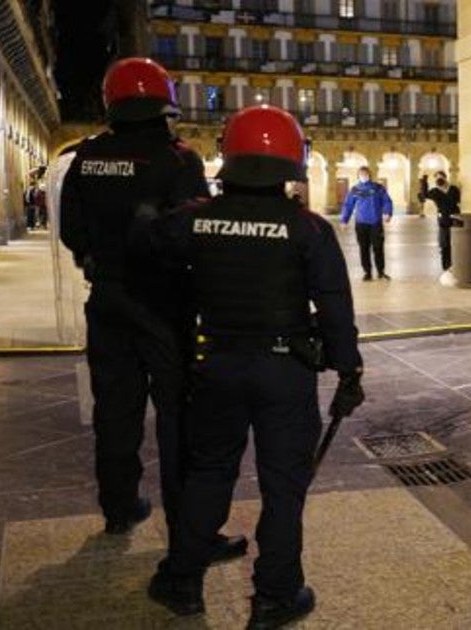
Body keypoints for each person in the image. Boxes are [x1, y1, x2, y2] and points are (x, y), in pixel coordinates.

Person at [147, 105, 365, 628]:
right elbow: (335, 308)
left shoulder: (193, 219)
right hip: (285, 370)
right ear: (294, 161)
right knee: (284, 485)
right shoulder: (308, 229)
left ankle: (182, 581)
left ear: (230, 156)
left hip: (216, 362)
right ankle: (276, 595)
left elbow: (145, 254)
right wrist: (349, 371)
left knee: (208, 473)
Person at [58, 57, 246, 563]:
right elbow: (196, 234)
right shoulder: (178, 160)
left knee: (114, 410)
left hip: (108, 301)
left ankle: (119, 507)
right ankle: (190, 526)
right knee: (178, 417)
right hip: (164, 305)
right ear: (163, 106)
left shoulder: (86, 157)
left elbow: (70, 232)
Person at [340, 166, 392, 281]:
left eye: (365, 173)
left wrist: (387, 212)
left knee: (378, 248)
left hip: (375, 223)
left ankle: (381, 272)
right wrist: (344, 220)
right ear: (358, 176)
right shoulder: (355, 189)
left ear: (369, 174)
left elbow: (386, 201)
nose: (363, 175)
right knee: (364, 248)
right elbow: (348, 205)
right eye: (361, 174)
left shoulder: (378, 188)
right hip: (361, 223)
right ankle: (367, 272)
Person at [418, 170, 461, 271]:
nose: (440, 179)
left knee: (456, 242)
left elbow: (457, 200)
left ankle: (456, 265)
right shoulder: (435, 191)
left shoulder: (453, 189)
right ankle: (446, 266)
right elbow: (424, 195)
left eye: (441, 177)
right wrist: (424, 181)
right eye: (437, 178)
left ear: (446, 178)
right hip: (443, 220)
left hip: (455, 218)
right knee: (444, 243)